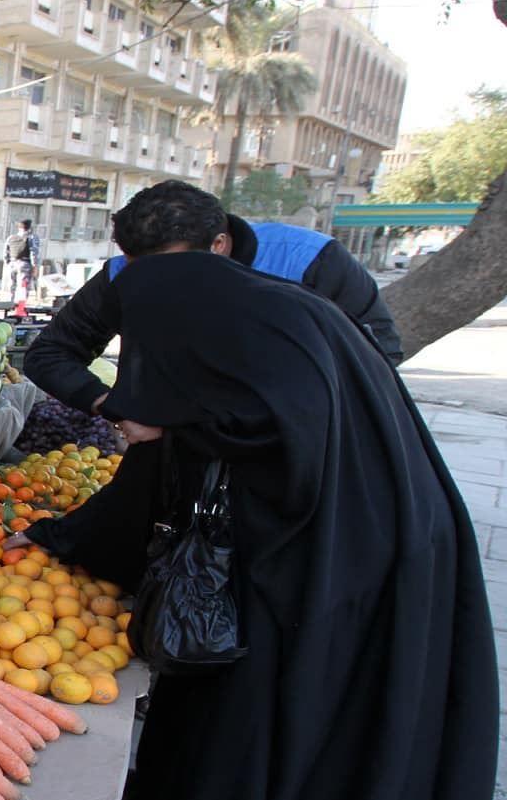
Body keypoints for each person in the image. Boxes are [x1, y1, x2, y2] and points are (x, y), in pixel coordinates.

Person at [28, 182, 497, 800]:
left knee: (279, 680)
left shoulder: (294, 291)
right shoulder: (238, 307)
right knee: (243, 674)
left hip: (352, 532)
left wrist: (152, 440)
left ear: (216, 248)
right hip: (322, 516)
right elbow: (183, 439)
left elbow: (250, 438)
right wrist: (74, 527)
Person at [22, 185, 405, 587]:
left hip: (297, 472)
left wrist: (203, 422)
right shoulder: (123, 275)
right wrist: (112, 404)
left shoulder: (308, 263)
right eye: (140, 271)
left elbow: (375, 361)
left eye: (164, 271)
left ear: (218, 245)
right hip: (182, 479)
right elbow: (49, 354)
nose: (151, 285)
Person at [3, 219, 38, 311]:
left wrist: (8, 263)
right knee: (23, 286)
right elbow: (33, 252)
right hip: (24, 264)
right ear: (29, 227)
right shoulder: (31, 238)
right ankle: (20, 308)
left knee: (12, 285)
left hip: (12, 264)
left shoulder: (11, 237)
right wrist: (35, 266)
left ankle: (10, 304)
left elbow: (5, 253)